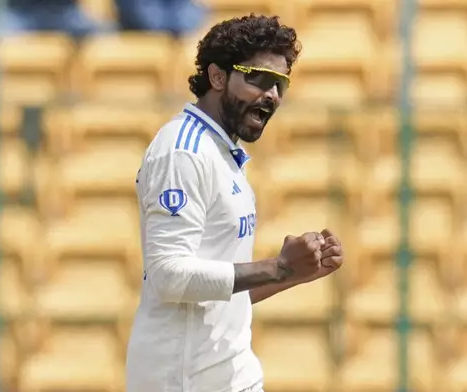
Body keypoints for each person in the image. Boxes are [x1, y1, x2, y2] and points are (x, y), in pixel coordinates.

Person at [126, 14, 345, 392]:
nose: (272, 95)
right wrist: (277, 266)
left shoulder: (224, 153)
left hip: (231, 375)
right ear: (217, 77)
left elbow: (219, 297)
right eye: (258, 78)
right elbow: (169, 276)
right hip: (183, 380)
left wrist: (294, 272)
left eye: (281, 84)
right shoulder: (183, 151)